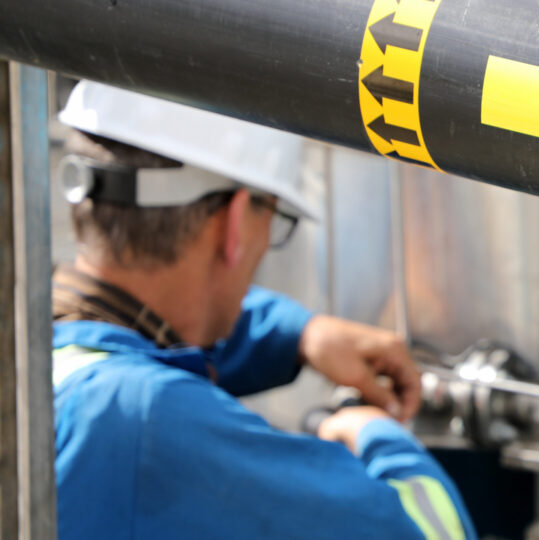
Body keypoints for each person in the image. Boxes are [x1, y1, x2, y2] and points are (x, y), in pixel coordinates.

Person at [51, 81, 476, 540]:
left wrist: (300, 334)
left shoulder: (33, 332)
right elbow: (432, 532)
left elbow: (130, 340)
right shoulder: (146, 424)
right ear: (235, 224)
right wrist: (375, 435)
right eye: (274, 220)